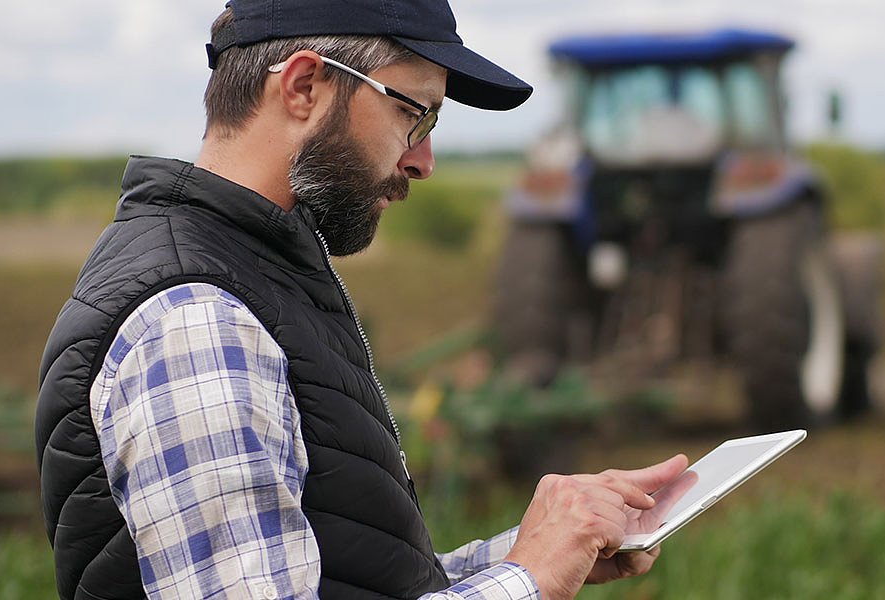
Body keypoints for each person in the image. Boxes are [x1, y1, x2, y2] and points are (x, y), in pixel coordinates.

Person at [34, 1, 689, 599]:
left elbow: (337, 577)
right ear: (304, 88)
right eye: (412, 112)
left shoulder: (258, 279)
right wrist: (532, 578)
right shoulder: (199, 321)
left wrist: (537, 546)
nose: (424, 160)